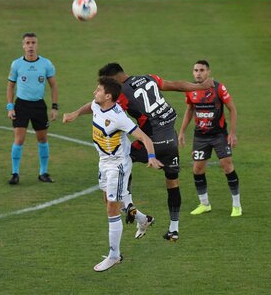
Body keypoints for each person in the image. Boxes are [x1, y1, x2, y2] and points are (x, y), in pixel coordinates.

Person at [65, 63, 213, 242]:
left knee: (122, 160)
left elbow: (97, 104)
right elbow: (177, 85)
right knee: (172, 183)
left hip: (152, 140)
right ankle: (174, 229)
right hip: (170, 140)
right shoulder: (149, 78)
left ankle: (129, 206)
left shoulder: (122, 94)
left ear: (113, 81)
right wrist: (200, 86)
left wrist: (75, 113)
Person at [63, 76, 163, 272]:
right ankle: (143, 220)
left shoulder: (119, 117)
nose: (94, 93)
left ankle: (115, 255)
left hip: (118, 166)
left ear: (108, 96)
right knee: (107, 200)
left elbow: (144, 137)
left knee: (112, 208)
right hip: (103, 162)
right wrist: (75, 114)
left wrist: (151, 156)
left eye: (98, 90)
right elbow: (90, 106)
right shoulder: (97, 105)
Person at [178, 60, 242, 217]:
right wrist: (181, 131)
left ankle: (237, 205)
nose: (198, 73)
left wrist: (232, 133)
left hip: (219, 135)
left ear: (208, 72)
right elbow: (189, 110)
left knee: (227, 165)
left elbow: (232, 109)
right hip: (200, 136)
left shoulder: (219, 88)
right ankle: (204, 204)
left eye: (201, 70)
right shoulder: (191, 90)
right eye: (195, 70)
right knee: (197, 169)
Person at [6, 33, 59, 185]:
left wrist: (54, 107)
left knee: (42, 138)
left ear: (37, 45)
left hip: (39, 106)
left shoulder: (46, 64)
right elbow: (10, 86)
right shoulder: (16, 64)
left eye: (33, 43)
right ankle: (15, 173)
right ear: (23, 45)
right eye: (27, 43)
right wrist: (10, 107)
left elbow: (53, 86)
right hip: (21, 105)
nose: (30, 46)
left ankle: (43, 172)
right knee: (19, 139)